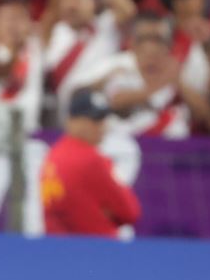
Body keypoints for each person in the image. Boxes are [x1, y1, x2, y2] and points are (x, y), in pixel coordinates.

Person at [42, 90, 142, 235]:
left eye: (103, 119)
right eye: (94, 120)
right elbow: (130, 213)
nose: (101, 127)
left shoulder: (53, 155)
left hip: (59, 246)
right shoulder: (91, 160)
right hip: (97, 248)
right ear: (72, 121)